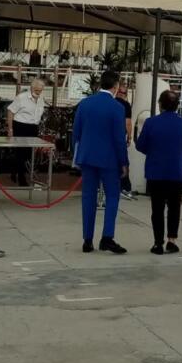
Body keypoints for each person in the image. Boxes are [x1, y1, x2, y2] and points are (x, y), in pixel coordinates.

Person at [72, 69, 129, 254]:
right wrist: (124, 162)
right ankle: (107, 237)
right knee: (112, 196)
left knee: (88, 197)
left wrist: (77, 155)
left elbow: (76, 132)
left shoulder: (85, 103)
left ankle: (87, 240)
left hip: (87, 157)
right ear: (116, 86)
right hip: (109, 159)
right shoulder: (117, 108)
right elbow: (119, 139)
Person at [136, 90, 182, 255]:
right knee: (174, 208)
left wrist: (153, 151)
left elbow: (140, 145)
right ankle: (172, 240)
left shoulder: (150, 123)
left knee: (157, 209)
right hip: (176, 172)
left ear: (160, 104)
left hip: (155, 171)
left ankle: (158, 243)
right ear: (177, 106)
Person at [6, 77, 48, 186]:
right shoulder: (22, 97)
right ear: (32, 88)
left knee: (28, 153)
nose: (38, 92)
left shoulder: (41, 98)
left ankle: (14, 171)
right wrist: (10, 129)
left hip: (33, 127)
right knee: (20, 152)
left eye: (40, 90)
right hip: (20, 126)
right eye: (37, 90)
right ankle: (21, 177)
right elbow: (10, 111)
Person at [114, 84, 136, 201]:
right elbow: (128, 122)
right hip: (120, 138)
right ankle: (125, 188)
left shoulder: (111, 102)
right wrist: (129, 137)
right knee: (124, 163)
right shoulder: (126, 105)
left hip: (108, 139)